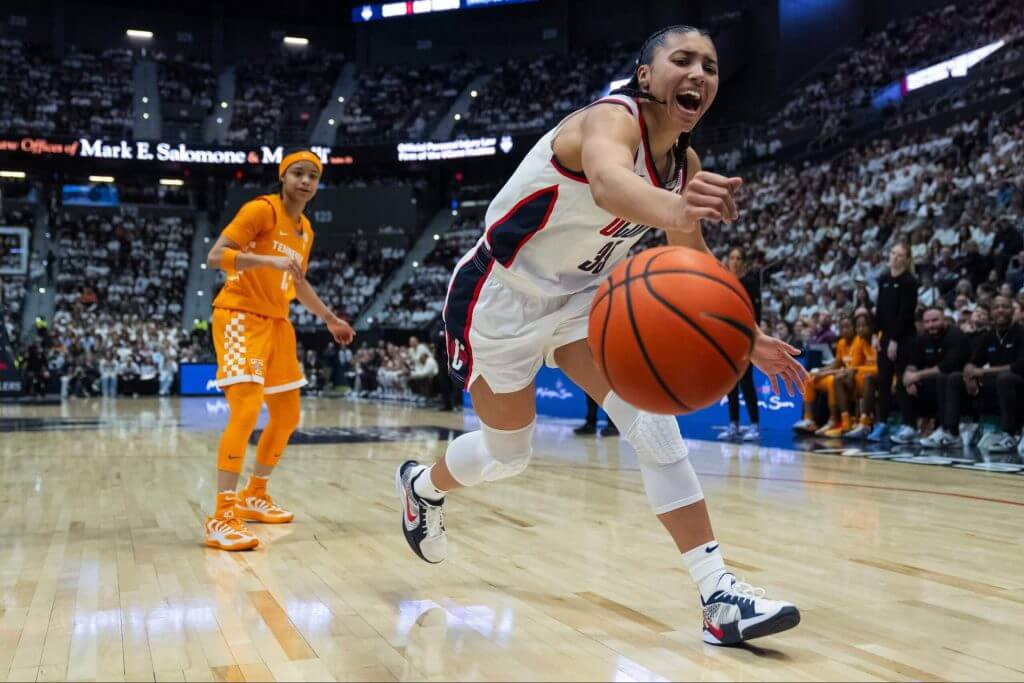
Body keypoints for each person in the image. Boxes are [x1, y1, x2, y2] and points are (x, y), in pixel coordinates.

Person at [395, 26, 808, 646]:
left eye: (711, 66)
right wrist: (679, 208)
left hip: (586, 300)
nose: (699, 73)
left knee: (653, 425)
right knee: (510, 455)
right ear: (646, 76)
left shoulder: (684, 164)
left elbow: (689, 257)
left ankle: (717, 594)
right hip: (499, 297)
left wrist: (744, 335)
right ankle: (421, 488)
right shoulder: (608, 121)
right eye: (683, 60)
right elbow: (613, 185)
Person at [204, 149, 355, 551]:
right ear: (283, 177)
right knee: (247, 409)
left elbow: (298, 282)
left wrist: (329, 318)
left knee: (288, 415)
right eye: (298, 174)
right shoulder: (262, 211)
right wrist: (263, 261)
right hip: (240, 316)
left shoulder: (305, 229)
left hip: (278, 323)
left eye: (313, 176)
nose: (306, 182)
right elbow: (216, 256)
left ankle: (255, 494)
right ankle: (222, 515)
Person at [932, 295, 1024, 453]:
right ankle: (952, 434)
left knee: (1005, 378)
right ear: (991, 313)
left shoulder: (1021, 332)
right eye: (996, 307)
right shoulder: (989, 335)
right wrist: (969, 376)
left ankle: (1009, 435)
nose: (1000, 310)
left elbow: (1019, 366)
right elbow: (972, 362)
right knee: (954, 378)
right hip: (994, 387)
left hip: (1018, 387)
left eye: (1005, 306)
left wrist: (981, 372)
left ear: (1012, 310)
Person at [892, 306, 969, 445]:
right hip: (932, 385)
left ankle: (948, 431)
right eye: (927, 322)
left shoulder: (955, 335)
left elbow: (947, 366)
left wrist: (917, 376)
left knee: (943, 378)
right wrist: (909, 376)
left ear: (944, 320)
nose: (931, 325)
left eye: (935, 320)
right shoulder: (923, 339)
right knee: (902, 381)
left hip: (957, 384)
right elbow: (913, 363)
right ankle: (910, 427)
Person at [867, 243, 918, 441]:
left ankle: (909, 424)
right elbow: (880, 309)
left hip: (904, 338)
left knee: (902, 380)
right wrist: (874, 333)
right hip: (885, 337)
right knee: (884, 381)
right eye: (893, 253)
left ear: (907, 259)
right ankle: (882, 423)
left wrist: (895, 340)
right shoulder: (884, 279)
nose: (895, 257)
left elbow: (906, 313)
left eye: (900, 255)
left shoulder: (909, 281)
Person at [718, 246, 761, 441]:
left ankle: (754, 425)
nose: (734, 262)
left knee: (746, 381)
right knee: (730, 383)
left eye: (738, 258)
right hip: (727, 338)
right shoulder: (724, 281)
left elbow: (756, 314)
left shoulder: (750, 283)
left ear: (744, 262)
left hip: (745, 337)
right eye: (731, 258)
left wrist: (754, 337)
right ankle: (733, 424)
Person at [792, 315, 859, 437]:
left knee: (831, 381)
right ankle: (809, 420)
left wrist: (823, 373)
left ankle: (833, 420)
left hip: (849, 378)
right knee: (809, 378)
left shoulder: (858, 342)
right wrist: (818, 371)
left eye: (847, 327)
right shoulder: (841, 343)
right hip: (839, 374)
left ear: (854, 328)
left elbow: (848, 369)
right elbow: (836, 365)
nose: (845, 330)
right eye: (842, 327)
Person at [842, 313, 880, 438]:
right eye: (858, 326)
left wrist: (855, 369)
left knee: (867, 378)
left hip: (886, 375)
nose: (860, 329)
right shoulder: (859, 340)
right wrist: (851, 373)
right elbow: (854, 365)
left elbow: (881, 367)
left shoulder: (880, 337)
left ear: (871, 326)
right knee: (842, 379)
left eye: (864, 325)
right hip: (868, 375)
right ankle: (847, 421)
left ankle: (865, 423)